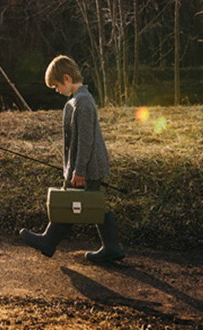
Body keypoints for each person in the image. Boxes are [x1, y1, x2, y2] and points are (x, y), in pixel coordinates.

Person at [19, 55, 125, 263]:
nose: (57, 90)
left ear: (67, 79)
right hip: (84, 165)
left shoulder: (83, 102)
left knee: (80, 201)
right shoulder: (78, 99)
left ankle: (52, 241)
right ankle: (110, 246)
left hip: (88, 166)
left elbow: (86, 140)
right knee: (81, 201)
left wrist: (79, 171)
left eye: (57, 86)